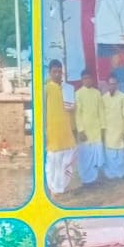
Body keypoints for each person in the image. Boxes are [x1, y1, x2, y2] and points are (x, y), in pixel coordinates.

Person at [45, 59, 77, 195]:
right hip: (53, 133)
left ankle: (62, 188)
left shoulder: (68, 89)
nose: (57, 74)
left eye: (59, 71)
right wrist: (44, 133)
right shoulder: (45, 89)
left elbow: (73, 111)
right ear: (50, 73)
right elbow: (41, 112)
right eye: (54, 72)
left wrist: (74, 129)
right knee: (53, 164)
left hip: (67, 133)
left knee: (67, 161)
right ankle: (53, 189)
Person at [73, 70, 105, 185]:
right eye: (85, 78)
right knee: (85, 157)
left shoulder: (97, 93)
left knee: (97, 156)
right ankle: (86, 180)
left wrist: (102, 127)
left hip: (96, 131)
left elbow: (101, 111)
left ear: (92, 79)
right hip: (85, 132)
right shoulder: (78, 94)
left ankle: (95, 179)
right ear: (82, 80)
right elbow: (77, 113)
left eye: (89, 78)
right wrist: (81, 130)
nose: (87, 80)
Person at [100, 78, 124, 180]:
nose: (112, 86)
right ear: (107, 85)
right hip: (108, 130)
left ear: (117, 85)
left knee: (120, 153)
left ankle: (120, 173)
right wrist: (102, 129)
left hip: (119, 128)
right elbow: (102, 115)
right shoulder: (103, 98)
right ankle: (110, 174)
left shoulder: (123, 96)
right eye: (110, 84)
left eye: (114, 84)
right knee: (109, 152)